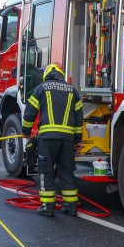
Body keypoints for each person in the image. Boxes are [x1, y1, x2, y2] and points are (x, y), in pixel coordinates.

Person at [22, 64, 83, 217]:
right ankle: (70, 208)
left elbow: (30, 113)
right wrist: (77, 140)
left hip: (48, 138)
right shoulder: (72, 90)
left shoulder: (42, 88)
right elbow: (78, 119)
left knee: (46, 171)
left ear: (47, 75)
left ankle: (47, 207)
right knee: (67, 172)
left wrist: (26, 133)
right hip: (67, 139)